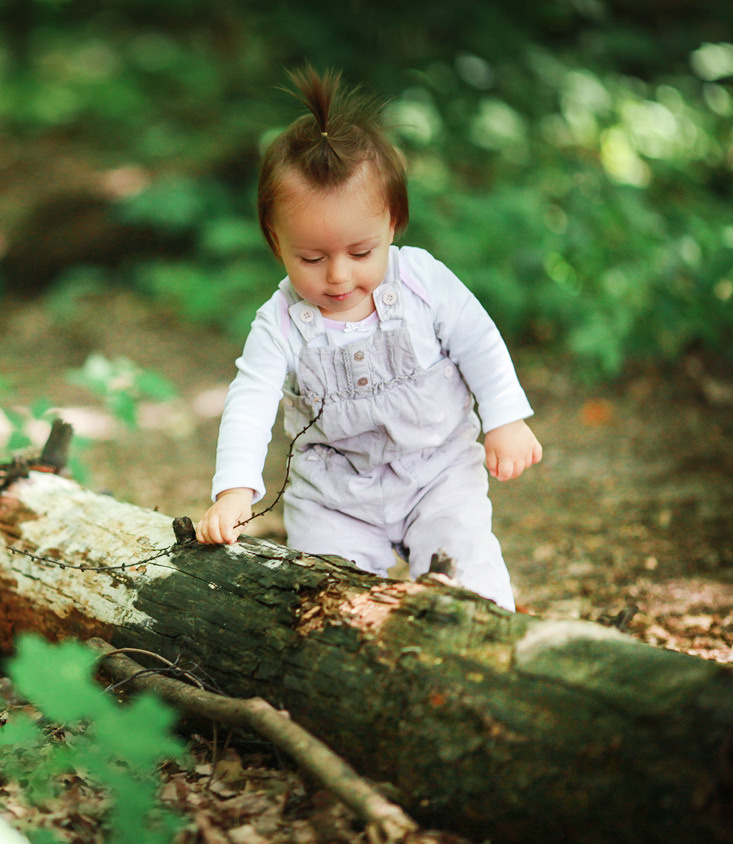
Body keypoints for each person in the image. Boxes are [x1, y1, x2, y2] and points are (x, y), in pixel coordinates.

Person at [195, 67, 542, 609]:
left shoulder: (422, 283)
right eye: (311, 258)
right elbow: (249, 401)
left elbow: (478, 339)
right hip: (333, 495)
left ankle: (482, 651)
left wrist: (505, 417)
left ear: (393, 225)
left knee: (466, 571)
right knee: (327, 595)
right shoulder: (280, 320)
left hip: (437, 472)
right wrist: (235, 488)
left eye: (361, 253)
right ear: (275, 241)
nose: (337, 276)